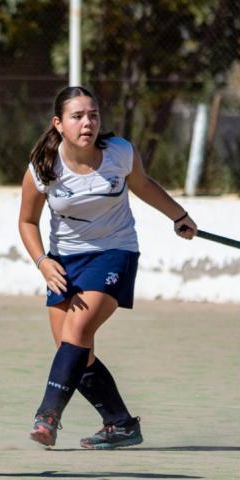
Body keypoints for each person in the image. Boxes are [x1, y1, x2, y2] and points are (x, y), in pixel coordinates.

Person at [18, 86, 197, 449]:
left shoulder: (120, 153)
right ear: (58, 124)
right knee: (74, 353)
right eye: (78, 116)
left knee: (78, 330)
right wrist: (43, 262)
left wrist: (179, 216)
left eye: (93, 115)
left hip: (115, 252)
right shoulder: (43, 167)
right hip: (64, 261)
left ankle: (48, 415)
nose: (88, 123)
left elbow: (143, 186)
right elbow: (26, 222)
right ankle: (120, 423)